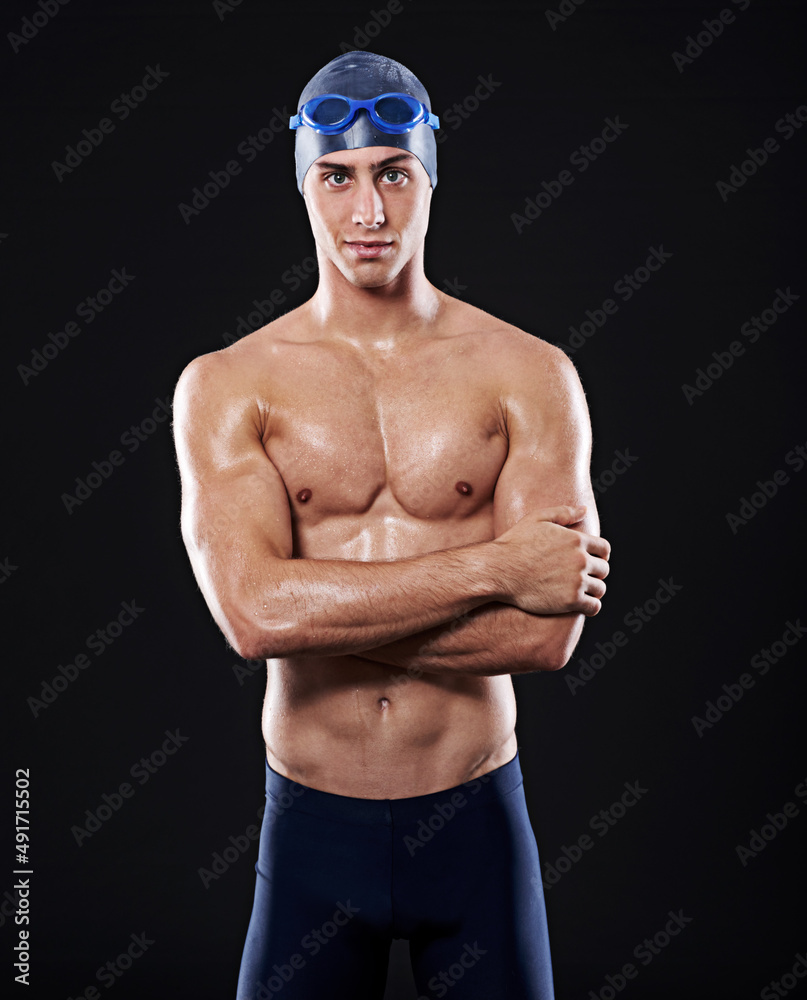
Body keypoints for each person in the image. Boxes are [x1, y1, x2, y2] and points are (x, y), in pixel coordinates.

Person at [172, 50, 611, 1000]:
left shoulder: (528, 373)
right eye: (337, 177)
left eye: (392, 173)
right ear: (304, 183)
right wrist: (495, 565)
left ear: (429, 176)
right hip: (310, 831)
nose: (367, 212)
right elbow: (253, 619)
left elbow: (543, 636)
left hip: (475, 822)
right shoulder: (226, 384)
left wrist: (318, 611)